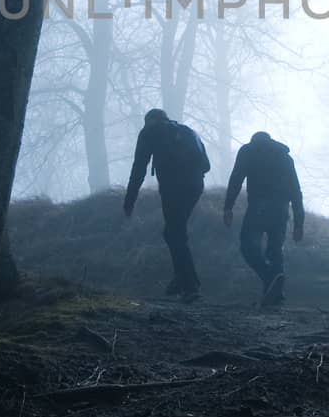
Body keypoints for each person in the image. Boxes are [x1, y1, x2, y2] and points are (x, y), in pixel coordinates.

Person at [125, 108, 211, 300]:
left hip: (173, 188)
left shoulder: (149, 132)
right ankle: (181, 278)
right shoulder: (188, 131)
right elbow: (206, 164)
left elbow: (139, 167)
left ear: (149, 121)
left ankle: (190, 286)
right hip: (195, 186)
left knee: (175, 233)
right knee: (173, 232)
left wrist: (129, 200)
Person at [223, 131, 305, 307]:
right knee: (275, 250)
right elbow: (295, 191)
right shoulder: (285, 157)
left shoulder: (248, 151)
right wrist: (299, 223)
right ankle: (276, 295)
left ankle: (269, 277)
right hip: (281, 209)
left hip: (258, 208)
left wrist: (228, 207)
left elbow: (236, 179)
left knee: (247, 246)